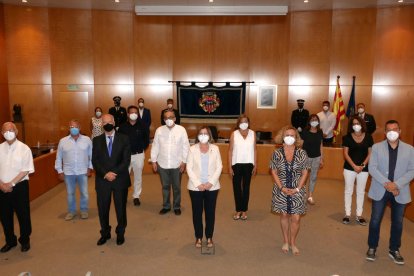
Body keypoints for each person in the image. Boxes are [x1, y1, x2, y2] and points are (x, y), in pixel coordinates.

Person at [366, 120, 414, 265]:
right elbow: (372, 168)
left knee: (398, 223)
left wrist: (396, 185)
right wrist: (388, 184)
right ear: (385, 132)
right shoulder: (376, 147)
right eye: (389, 129)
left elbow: (412, 170)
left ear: (400, 131)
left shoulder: (410, 149)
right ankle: (372, 247)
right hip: (380, 189)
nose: (392, 132)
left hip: (400, 191)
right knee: (375, 220)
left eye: (395, 129)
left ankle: (394, 249)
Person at [92, 114, 131, 246]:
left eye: (109, 121)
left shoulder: (124, 138)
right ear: (101, 124)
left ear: (114, 122)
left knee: (120, 209)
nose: (107, 124)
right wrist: (105, 174)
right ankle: (105, 233)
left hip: (119, 179)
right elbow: (95, 161)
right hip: (103, 180)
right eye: (104, 122)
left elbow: (126, 160)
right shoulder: (96, 140)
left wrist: (113, 172)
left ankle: (120, 233)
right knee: (103, 209)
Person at [270, 125, 309, 256]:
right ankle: (286, 241)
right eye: (287, 135)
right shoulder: (276, 153)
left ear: (296, 138)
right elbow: (274, 171)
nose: (289, 138)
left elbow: (305, 173)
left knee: (296, 218)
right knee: (284, 215)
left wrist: (297, 188)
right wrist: (281, 187)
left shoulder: (302, 153)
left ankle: (293, 242)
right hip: (281, 189)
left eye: (292, 136)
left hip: (297, 189)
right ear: (282, 137)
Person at [0, 122, 34, 253]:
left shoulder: (24, 148)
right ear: (2, 134)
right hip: (2, 188)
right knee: (4, 216)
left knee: (23, 214)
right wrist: (2, 185)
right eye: (5, 131)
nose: (8, 133)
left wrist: (11, 184)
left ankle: (24, 240)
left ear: (16, 131)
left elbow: (25, 170)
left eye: (11, 130)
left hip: (19, 187)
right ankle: (10, 241)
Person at [186, 127, 222, 248]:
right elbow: (189, 168)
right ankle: (199, 237)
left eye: (205, 133)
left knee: (210, 213)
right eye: (201, 133)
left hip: (212, 187)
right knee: (197, 213)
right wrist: (198, 184)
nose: (203, 135)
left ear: (210, 135)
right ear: (197, 136)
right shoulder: (192, 149)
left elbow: (219, 167)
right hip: (195, 188)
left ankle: (209, 236)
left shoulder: (215, 149)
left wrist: (211, 182)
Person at [151, 110, 189, 215]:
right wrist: (154, 161)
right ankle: (166, 206)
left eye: (171, 117)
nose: (169, 119)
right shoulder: (159, 130)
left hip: (177, 164)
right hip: (162, 164)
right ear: (164, 120)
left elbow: (186, 146)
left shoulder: (181, 130)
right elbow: (155, 146)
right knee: (165, 187)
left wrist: (184, 162)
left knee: (176, 187)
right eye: (166, 118)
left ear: (175, 118)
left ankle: (177, 206)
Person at [55, 120, 93, 220]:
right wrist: (59, 171)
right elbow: (58, 157)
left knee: (84, 192)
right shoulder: (63, 141)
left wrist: (90, 167)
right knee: (70, 193)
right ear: (69, 129)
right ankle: (72, 211)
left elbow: (92, 155)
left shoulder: (87, 139)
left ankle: (84, 210)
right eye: (71, 126)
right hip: (68, 172)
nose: (73, 128)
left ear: (80, 128)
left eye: (75, 126)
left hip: (83, 171)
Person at [342, 116, 373, 225]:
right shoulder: (347, 137)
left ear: (362, 124)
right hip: (349, 168)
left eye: (358, 123)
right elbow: (345, 153)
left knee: (361, 192)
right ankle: (347, 214)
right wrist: (354, 166)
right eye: (354, 123)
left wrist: (362, 165)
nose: (356, 125)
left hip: (363, 169)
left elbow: (370, 153)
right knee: (348, 191)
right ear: (351, 126)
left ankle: (359, 215)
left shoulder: (369, 137)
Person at [119, 105, 149, 206]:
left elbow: (146, 141)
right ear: (128, 114)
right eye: (131, 112)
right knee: (124, 177)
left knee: (138, 177)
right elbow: (119, 142)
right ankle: (123, 196)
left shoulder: (143, 126)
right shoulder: (122, 127)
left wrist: (141, 148)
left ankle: (136, 196)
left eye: (136, 113)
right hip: (125, 156)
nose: (134, 114)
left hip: (138, 155)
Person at [228, 114, 257, 220]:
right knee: (236, 188)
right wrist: (229, 166)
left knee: (246, 188)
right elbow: (230, 151)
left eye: (246, 121)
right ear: (238, 123)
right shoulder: (234, 134)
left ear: (248, 123)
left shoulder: (253, 133)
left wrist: (255, 164)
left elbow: (254, 150)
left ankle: (244, 210)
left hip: (249, 164)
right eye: (242, 121)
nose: (244, 123)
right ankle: (238, 210)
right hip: (236, 164)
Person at [300, 114, 323, 205]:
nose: (314, 121)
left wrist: (322, 158)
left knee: (313, 177)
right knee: (304, 177)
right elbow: (301, 146)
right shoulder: (305, 132)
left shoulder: (320, 132)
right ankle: (302, 195)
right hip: (306, 157)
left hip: (317, 157)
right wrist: (300, 158)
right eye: (312, 119)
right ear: (309, 121)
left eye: (316, 119)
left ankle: (310, 196)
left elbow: (321, 145)